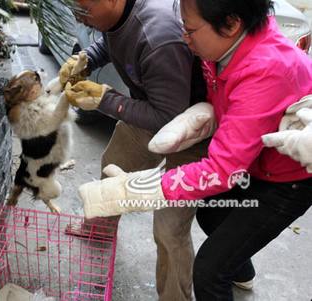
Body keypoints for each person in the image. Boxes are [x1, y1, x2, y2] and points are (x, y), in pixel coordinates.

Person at [76, 0, 312, 300]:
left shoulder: (265, 71)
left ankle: (226, 268)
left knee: (210, 272)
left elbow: (222, 171)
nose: (183, 38)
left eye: (189, 30)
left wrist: (142, 189)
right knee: (211, 216)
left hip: (287, 180)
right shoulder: (222, 44)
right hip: (254, 158)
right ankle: (242, 269)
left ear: (230, 24)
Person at [60, 0, 207, 300]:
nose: (78, 16)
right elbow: (111, 40)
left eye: (83, 9)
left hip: (190, 127)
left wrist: (106, 99)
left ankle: (175, 297)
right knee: (114, 162)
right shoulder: (118, 14)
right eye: (73, 8)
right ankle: (100, 230)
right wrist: (87, 58)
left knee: (170, 227)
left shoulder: (158, 38)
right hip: (156, 106)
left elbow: (168, 117)